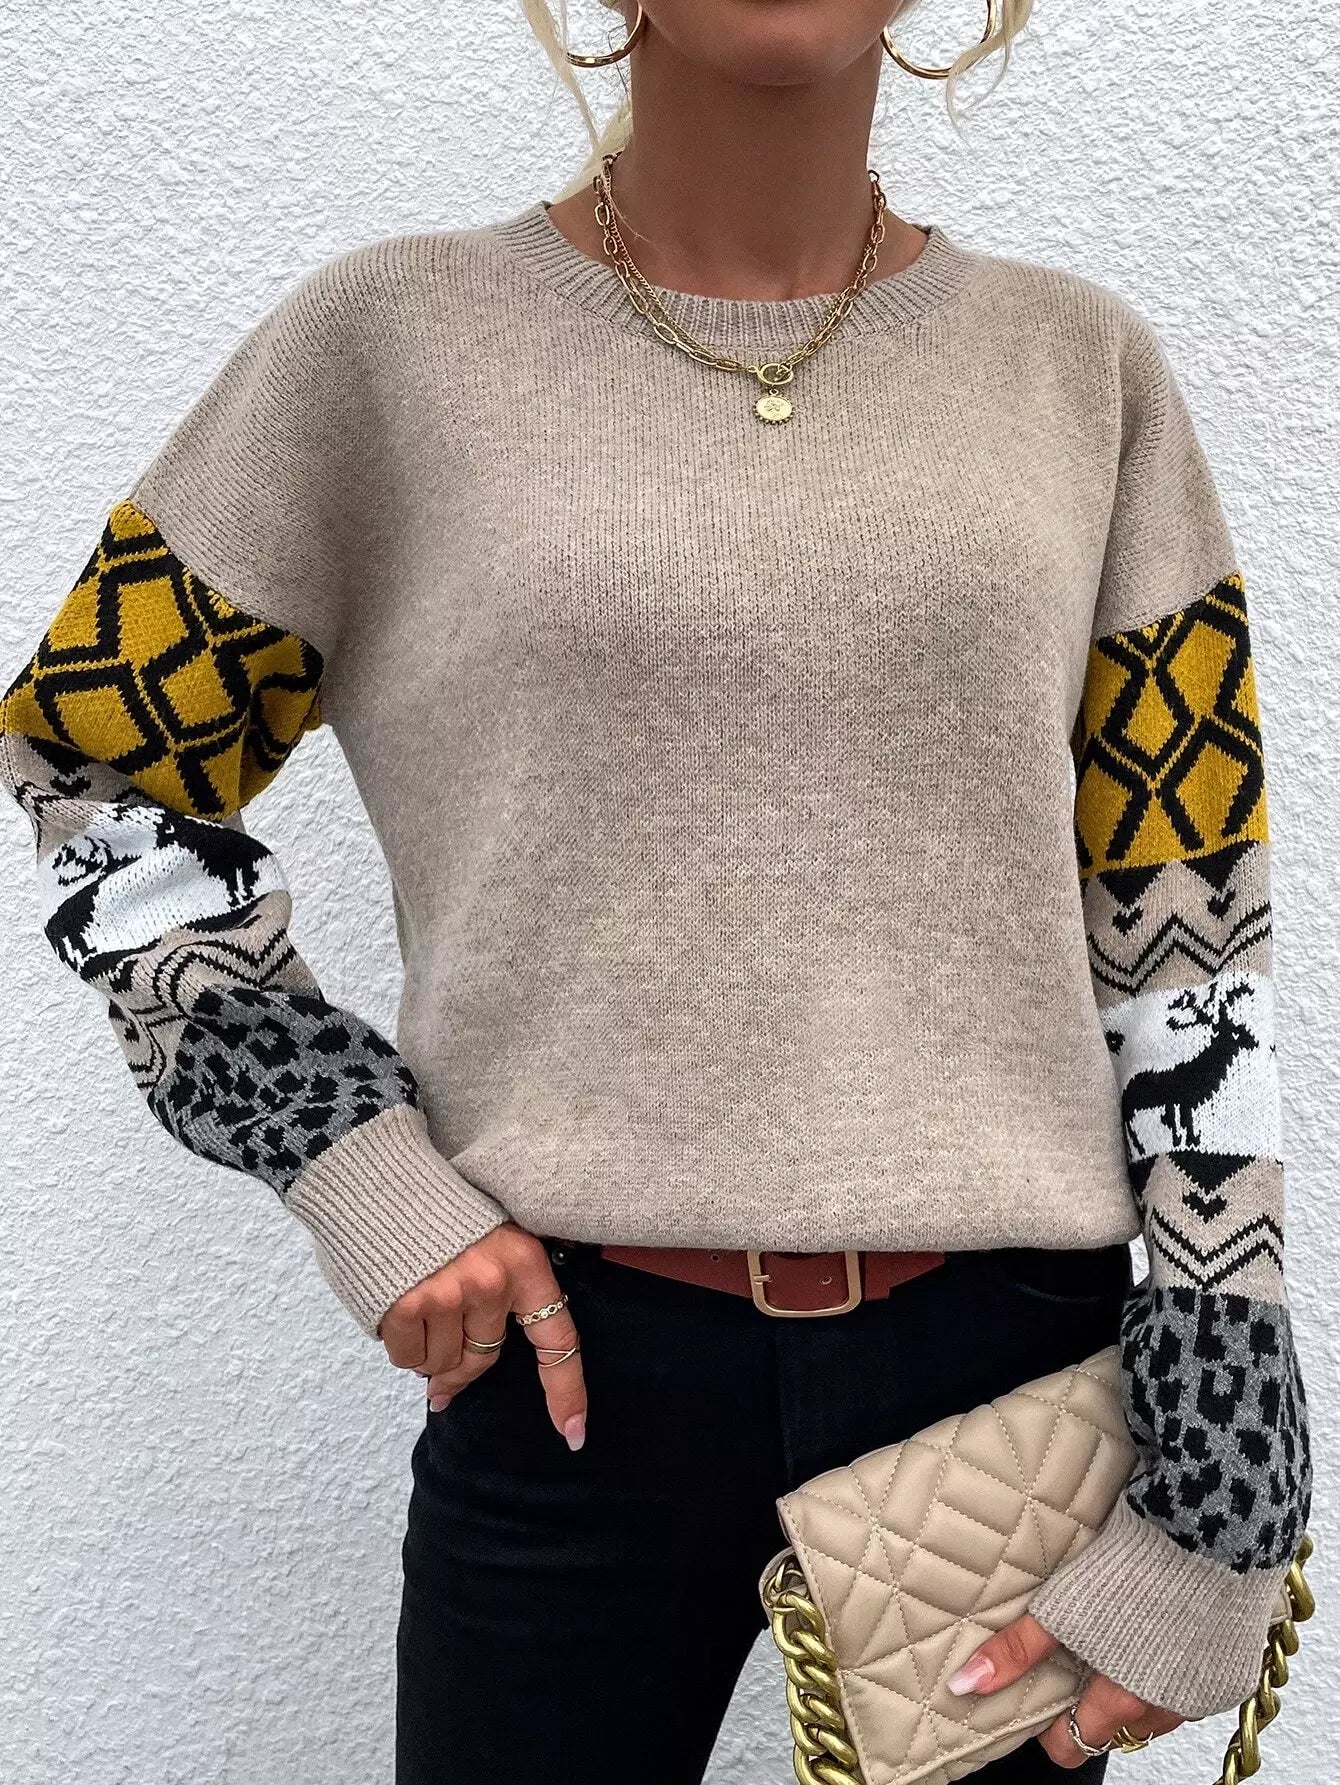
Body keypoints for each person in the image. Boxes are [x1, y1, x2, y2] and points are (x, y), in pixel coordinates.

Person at [0, 3, 1312, 1781]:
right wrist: (354, 1158)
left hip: (1010, 1389)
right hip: (566, 1377)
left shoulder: (1080, 373)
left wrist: (1227, 1465)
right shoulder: (384, 346)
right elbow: (92, 762)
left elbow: (1192, 934)